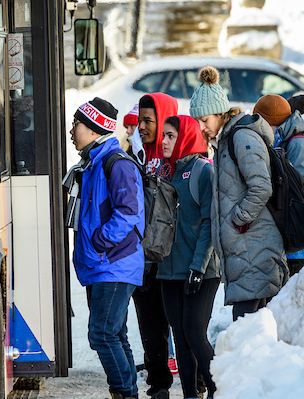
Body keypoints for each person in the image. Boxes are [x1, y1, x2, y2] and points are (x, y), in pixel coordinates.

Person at [189, 66, 289, 322]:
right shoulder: (226, 141)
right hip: (247, 252)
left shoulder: (241, 137)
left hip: (255, 249)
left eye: (205, 120)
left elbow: (261, 186)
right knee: (254, 332)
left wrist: (237, 218)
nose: (201, 128)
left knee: (247, 330)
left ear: (220, 113)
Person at [63, 97, 145, 399]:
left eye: (77, 125)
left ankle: (124, 392)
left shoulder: (116, 164)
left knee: (102, 334)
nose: (71, 131)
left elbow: (129, 212)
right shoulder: (92, 163)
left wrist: (99, 241)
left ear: (95, 128)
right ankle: (127, 392)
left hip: (114, 263)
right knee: (114, 333)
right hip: (102, 264)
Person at [158, 115, 220, 399]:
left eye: (171, 136)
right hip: (169, 271)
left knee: (195, 333)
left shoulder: (201, 171)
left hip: (201, 270)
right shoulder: (164, 172)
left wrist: (198, 267)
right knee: (180, 338)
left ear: (184, 137)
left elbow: (209, 222)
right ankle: (190, 395)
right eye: (164, 135)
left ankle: (220, 390)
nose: (164, 141)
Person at [134, 92, 178, 399]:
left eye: (148, 120)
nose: (141, 126)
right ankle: (158, 384)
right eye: (139, 120)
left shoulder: (177, 159)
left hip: (173, 259)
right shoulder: (137, 155)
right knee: (150, 329)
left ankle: (198, 382)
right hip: (144, 259)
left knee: (182, 326)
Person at [254, 94, 304, 276]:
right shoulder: (283, 138)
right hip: (288, 240)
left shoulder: (297, 142)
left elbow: (298, 193)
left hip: (297, 243)